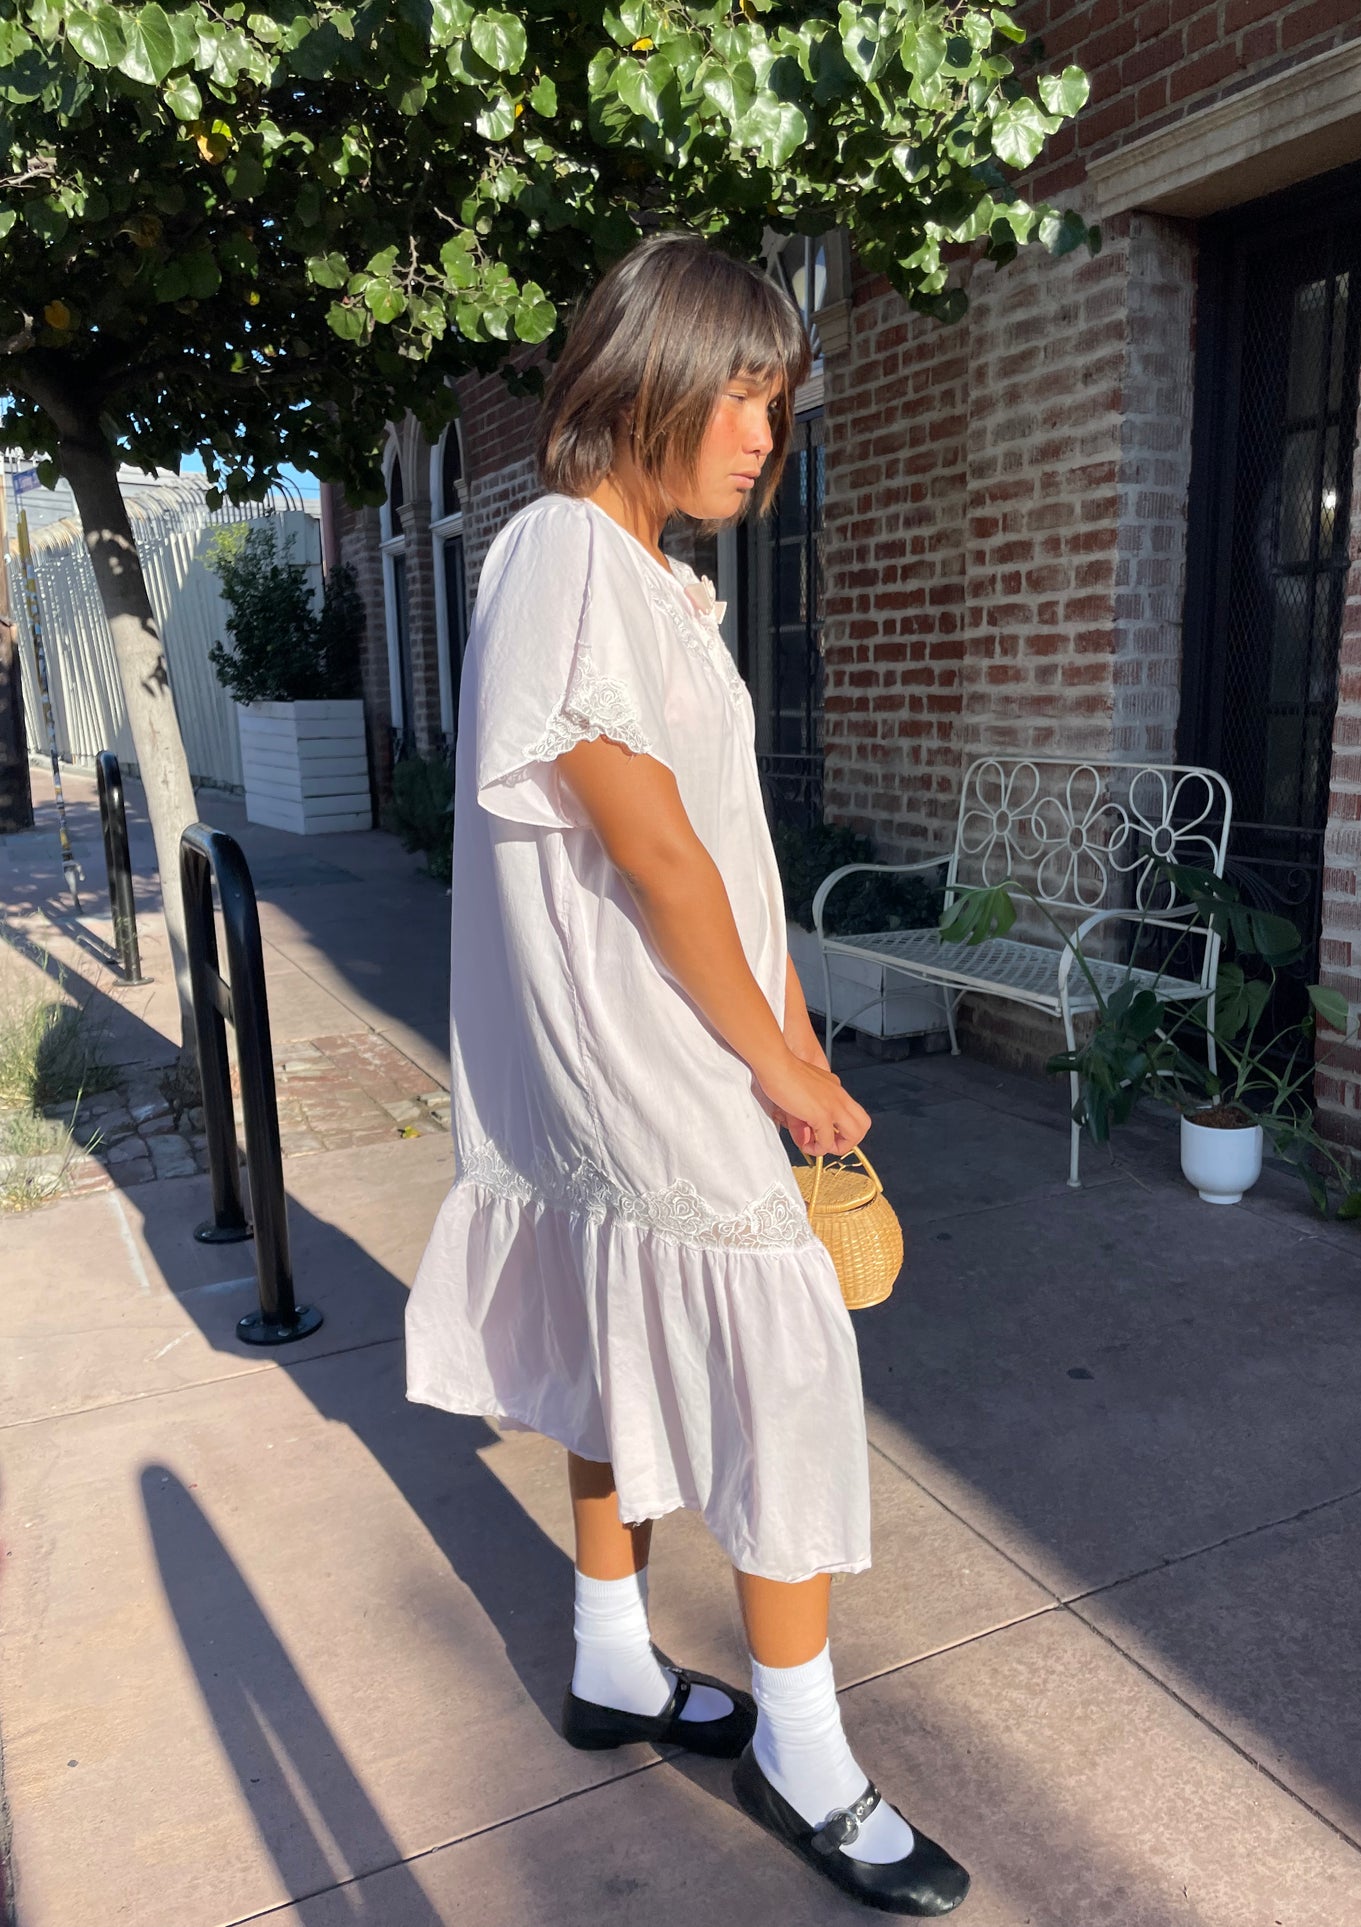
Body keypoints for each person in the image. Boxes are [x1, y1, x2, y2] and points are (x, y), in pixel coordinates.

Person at [405, 232, 970, 1917]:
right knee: (776, 1363)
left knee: (612, 1333)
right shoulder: (567, 551)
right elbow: (653, 855)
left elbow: (716, 848)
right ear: (642, 375)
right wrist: (791, 1065)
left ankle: (611, 1664)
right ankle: (801, 1747)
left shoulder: (639, 577)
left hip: (643, 1038)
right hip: (645, 1047)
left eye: (777, 406)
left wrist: (785, 1005)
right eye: (738, 394)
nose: (762, 437)